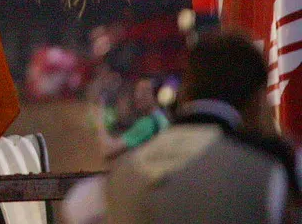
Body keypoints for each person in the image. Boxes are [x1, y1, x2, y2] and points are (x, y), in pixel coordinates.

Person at [79, 29, 302, 222]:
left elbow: (78, 206)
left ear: (186, 91)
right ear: (257, 99)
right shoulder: (270, 163)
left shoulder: (125, 173)